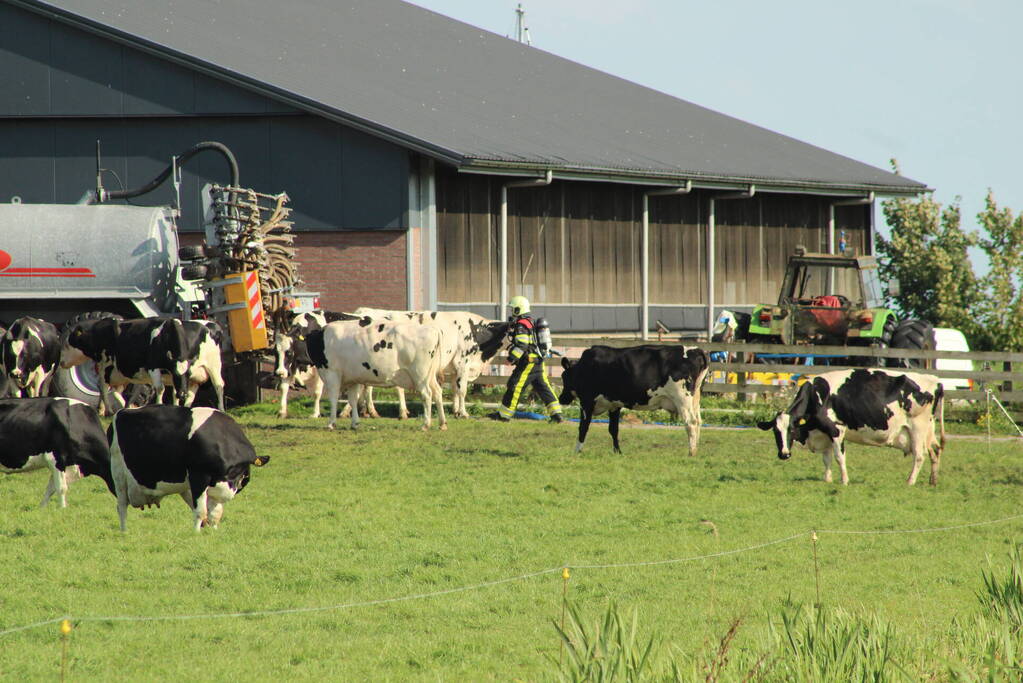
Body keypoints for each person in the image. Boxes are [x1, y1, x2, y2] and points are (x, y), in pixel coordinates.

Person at [490, 295, 564, 423]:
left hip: (528, 362)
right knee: (543, 387)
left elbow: (522, 344)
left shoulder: (521, 325)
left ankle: (504, 415)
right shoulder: (530, 321)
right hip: (538, 361)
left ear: (519, 309)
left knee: (515, 385)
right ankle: (557, 415)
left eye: (513, 308)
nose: (512, 311)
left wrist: (512, 358)